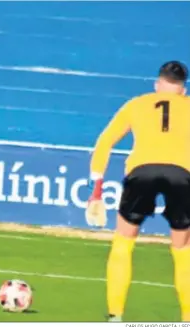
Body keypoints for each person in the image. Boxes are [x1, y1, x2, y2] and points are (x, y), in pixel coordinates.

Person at [87, 60, 190, 322]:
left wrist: (97, 188)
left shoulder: (138, 103)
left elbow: (105, 141)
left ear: (157, 85)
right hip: (182, 174)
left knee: (124, 240)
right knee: (182, 247)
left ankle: (115, 315)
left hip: (141, 171)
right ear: (183, 90)